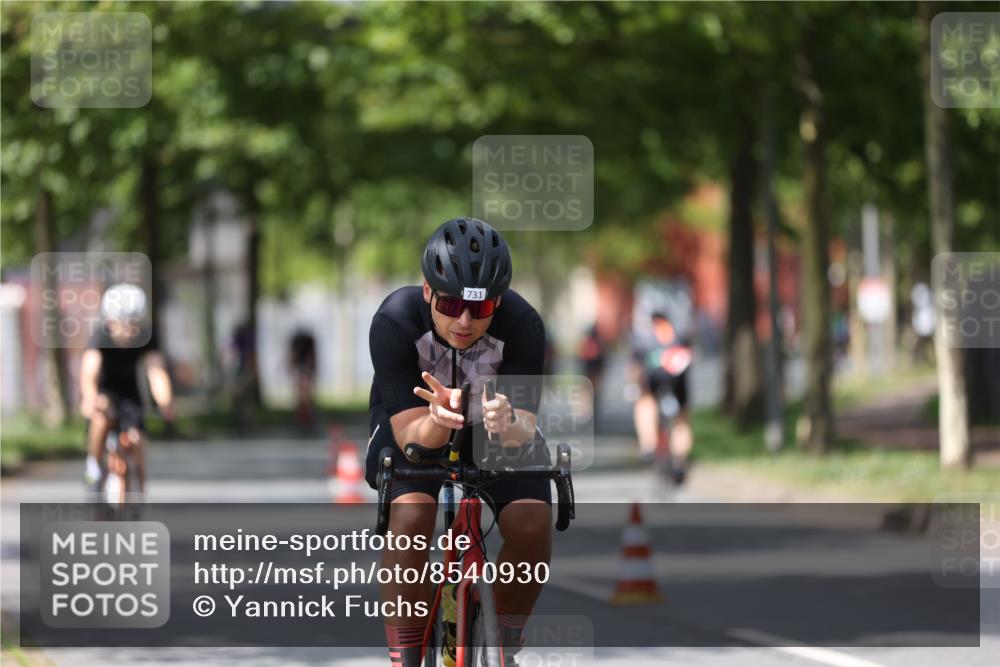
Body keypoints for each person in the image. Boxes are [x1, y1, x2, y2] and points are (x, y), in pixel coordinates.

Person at [366, 217, 550, 667]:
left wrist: (507, 422)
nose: (464, 321)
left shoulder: (523, 324)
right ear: (428, 292)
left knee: (532, 522)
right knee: (412, 515)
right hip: (415, 427)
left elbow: (525, 426)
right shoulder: (393, 320)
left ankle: (504, 639)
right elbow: (411, 439)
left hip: (495, 432)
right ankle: (406, 655)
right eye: (450, 304)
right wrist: (439, 419)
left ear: (499, 301)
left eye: (481, 308)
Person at [79, 283, 175, 492]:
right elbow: (89, 373)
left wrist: (165, 401)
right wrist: (90, 398)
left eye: (135, 324)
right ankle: (93, 466)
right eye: (125, 324)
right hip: (104, 391)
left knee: (137, 439)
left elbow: (155, 370)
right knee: (101, 419)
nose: (130, 330)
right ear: (111, 321)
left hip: (130, 394)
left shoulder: (147, 336)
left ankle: (139, 491)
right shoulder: (101, 336)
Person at [628, 311, 693, 484]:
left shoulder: (644, 340)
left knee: (644, 405)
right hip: (677, 385)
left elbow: (636, 369)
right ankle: (679, 460)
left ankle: (648, 446)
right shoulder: (679, 337)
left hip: (654, 385)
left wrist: (634, 386)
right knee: (681, 420)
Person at [288, 328, 317, 428]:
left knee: (305, 395)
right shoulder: (302, 344)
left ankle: (307, 418)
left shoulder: (306, 344)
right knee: (302, 395)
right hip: (302, 369)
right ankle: (302, 418)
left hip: (305, 369)